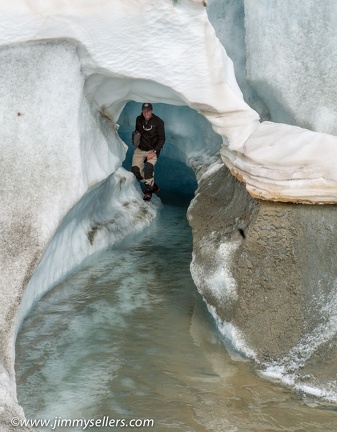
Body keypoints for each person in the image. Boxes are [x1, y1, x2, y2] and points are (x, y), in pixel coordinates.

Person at [131, 103, 166, 201]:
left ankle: (148, 191)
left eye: (148, 111)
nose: (146, 113)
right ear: (142, 111)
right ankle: (151, 184)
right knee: (135, 171)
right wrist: (136, 144)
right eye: (144, 111)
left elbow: (162, 139)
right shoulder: (139, 119)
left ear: (152, 110)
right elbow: (137, 132)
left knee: (148, 169)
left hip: (152, 150)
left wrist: (154, 151)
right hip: (140, 149)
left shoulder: (158, 122)